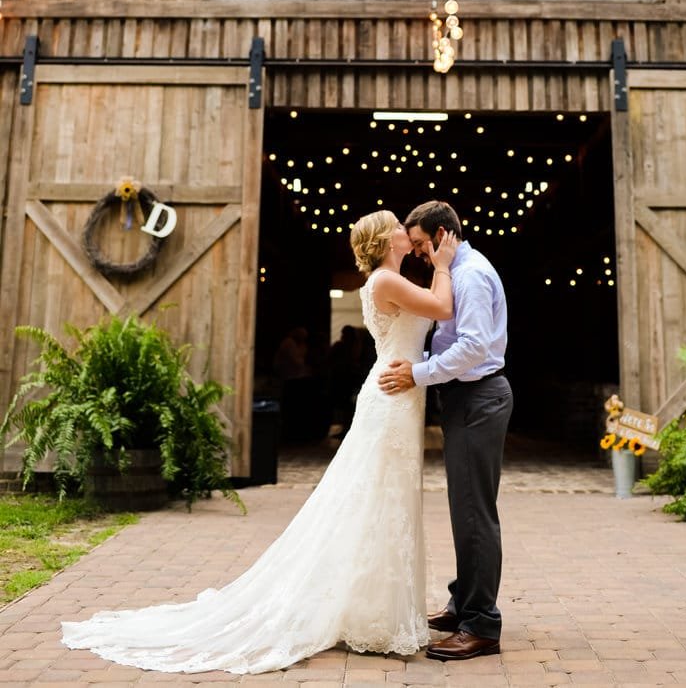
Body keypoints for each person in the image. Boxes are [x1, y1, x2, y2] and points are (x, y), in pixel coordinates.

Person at [61, 210, 457, 675]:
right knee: (378, 500)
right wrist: (445, 265)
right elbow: (443, 308)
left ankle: (374, 609)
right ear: (384, 239)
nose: (401, 231)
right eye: (395, 226)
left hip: (399, 396)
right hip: (391, 401)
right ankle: (374, 614)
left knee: (384, 501)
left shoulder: (390, 279)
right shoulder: (386, 282)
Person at [378, 200, 513, 662]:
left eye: (419, 244)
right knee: (465, 507)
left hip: (479, 398)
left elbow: (474, 347)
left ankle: (482, 625)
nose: (415, 253)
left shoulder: (470, 275)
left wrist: (418, 373)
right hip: (466, 400)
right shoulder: (459, 269)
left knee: (475, 512)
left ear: (440, 237)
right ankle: (463, 605)